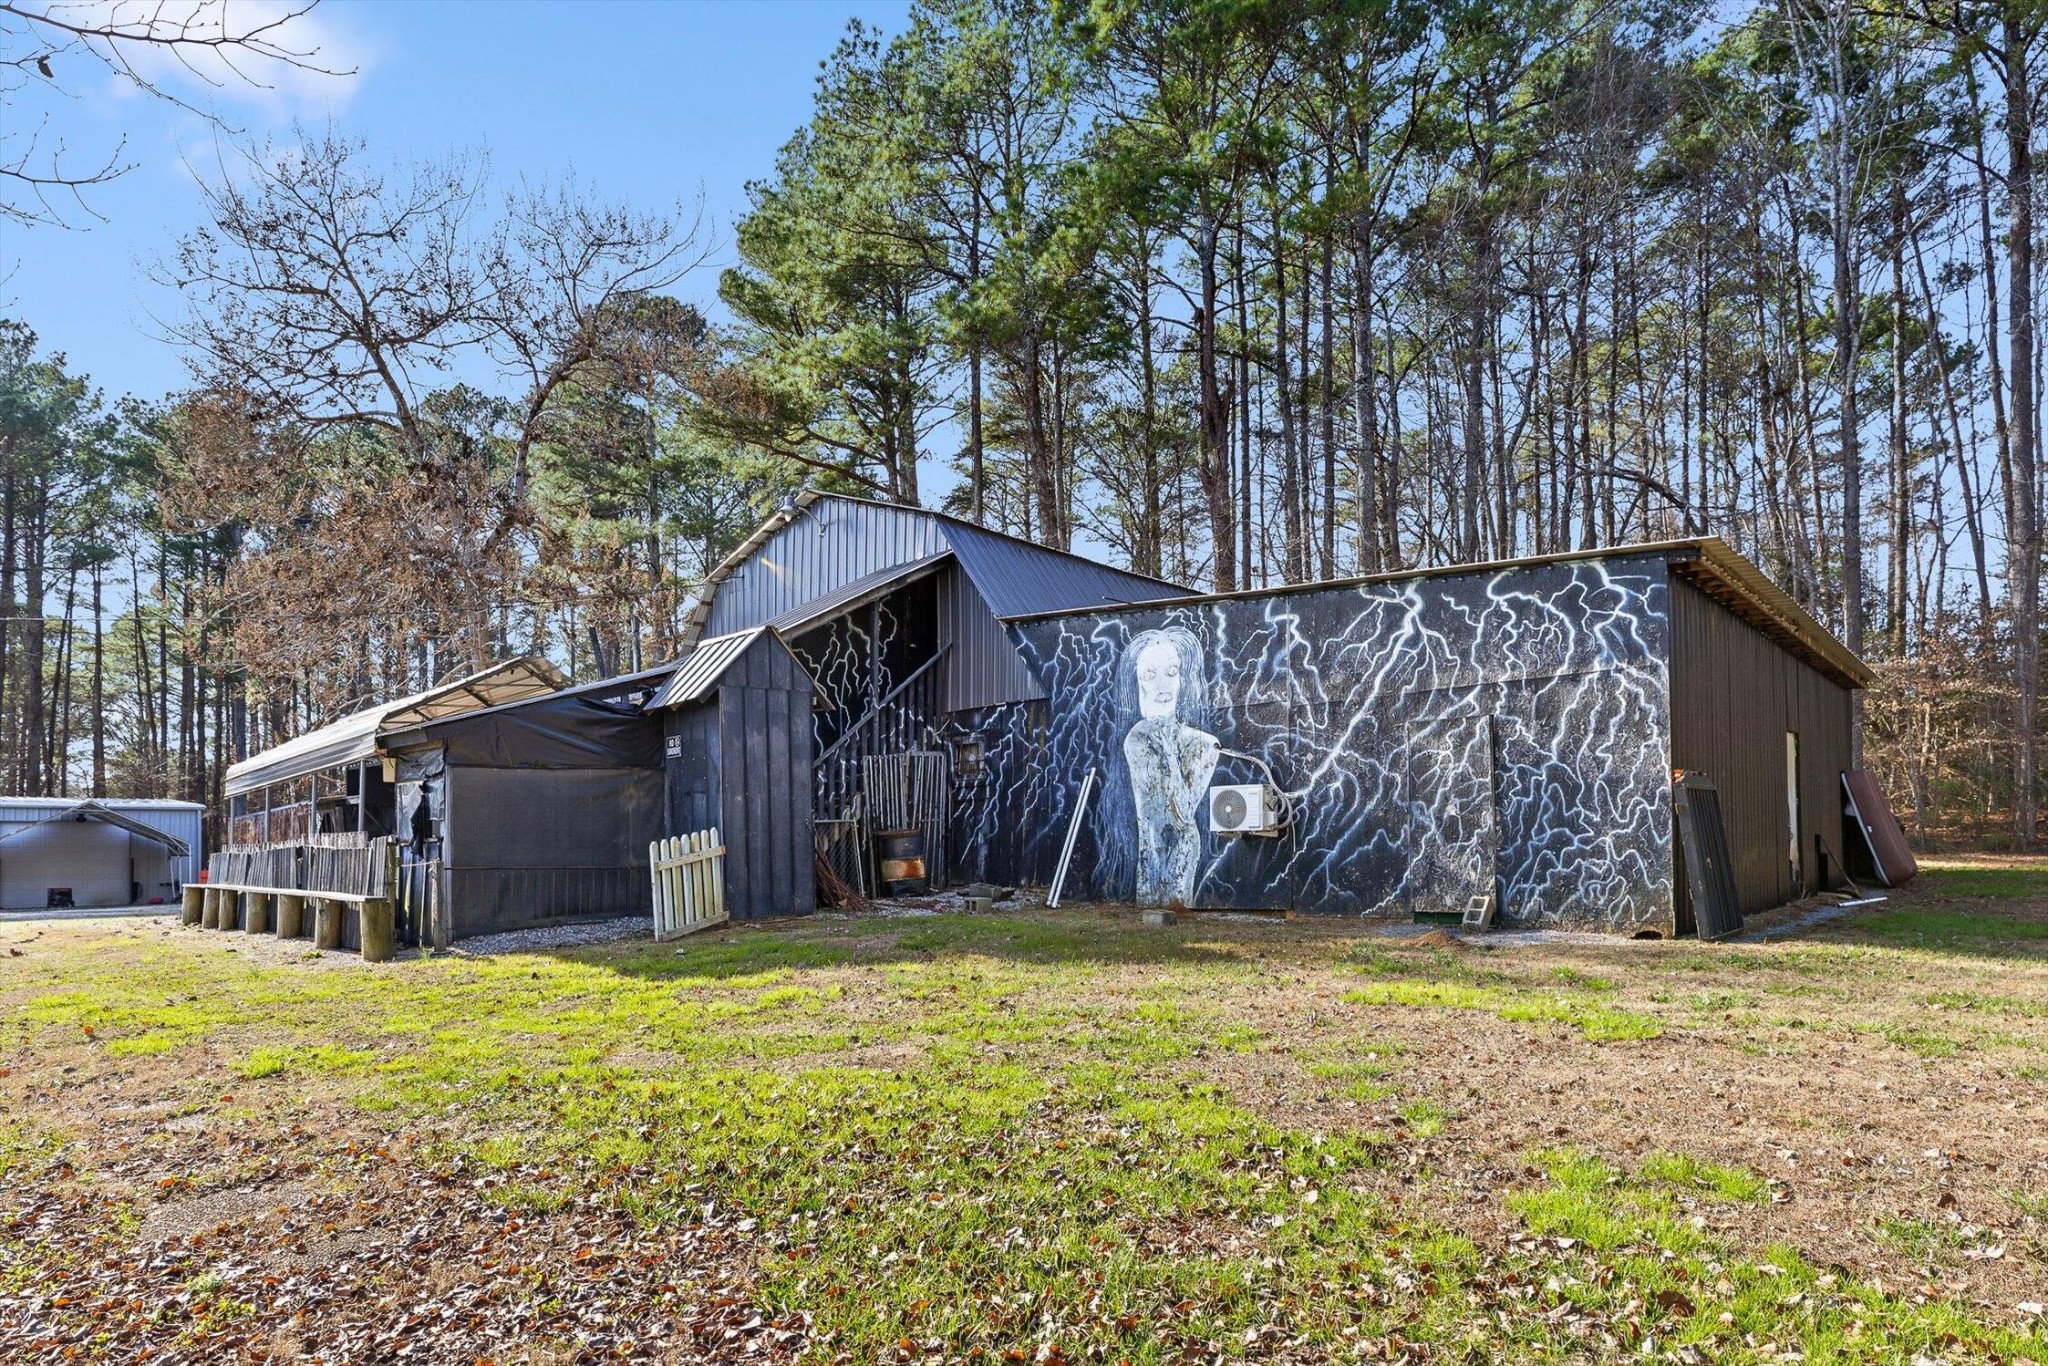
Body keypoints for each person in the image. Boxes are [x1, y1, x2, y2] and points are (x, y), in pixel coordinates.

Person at [1120, 626, 1220, 904]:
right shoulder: (1136, 739)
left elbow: (1181, 813)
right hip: (1150, 852)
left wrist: (1168, 745)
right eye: (1149, 675)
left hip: (1183, 852)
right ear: (1137, 683)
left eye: (1171, 672)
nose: (1162, 686)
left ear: (1183, 679)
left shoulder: (1205, 744)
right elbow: (1151, 816)